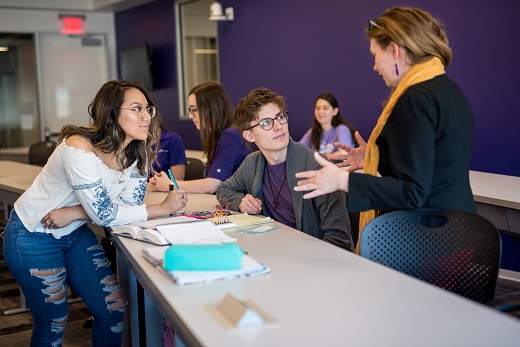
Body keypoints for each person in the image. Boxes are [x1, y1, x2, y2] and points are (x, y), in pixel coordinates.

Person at [2, 80, 188, 346]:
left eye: (148, 109)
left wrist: (76, 212)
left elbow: (129, 206)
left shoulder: (137, 152)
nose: (146, 116)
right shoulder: (78, 147)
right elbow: (105, 213)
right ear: (112, 113)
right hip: (32, 234)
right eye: (136, 109)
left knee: (113, 309)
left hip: (75, 233)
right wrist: (162, 208)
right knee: (53, 322)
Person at [294, 7, 476, 254]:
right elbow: (431, 160)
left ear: (394, 50)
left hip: (428, 243)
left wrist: (341, 179)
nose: (375, 67)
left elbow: (411, 193)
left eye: (374, 55)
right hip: (454, 231)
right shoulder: (445, 88)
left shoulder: (414, 100)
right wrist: (374, 155)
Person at [217, 87, 353, 251]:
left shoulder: (318, 167)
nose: (278, 126)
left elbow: (340, 241)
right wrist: (240, 202)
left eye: (280, 117)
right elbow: (223, 190)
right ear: (249, 136)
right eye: (266, 123)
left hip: (310, 260)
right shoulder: (252, 163)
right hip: (270, 251)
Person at [149, 81, 250, 194]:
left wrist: (170, 185)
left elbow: (211, 186)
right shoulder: (219, 135)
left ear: (211, 108)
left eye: (194, 110)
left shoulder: (229, 136)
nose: (190, 115)